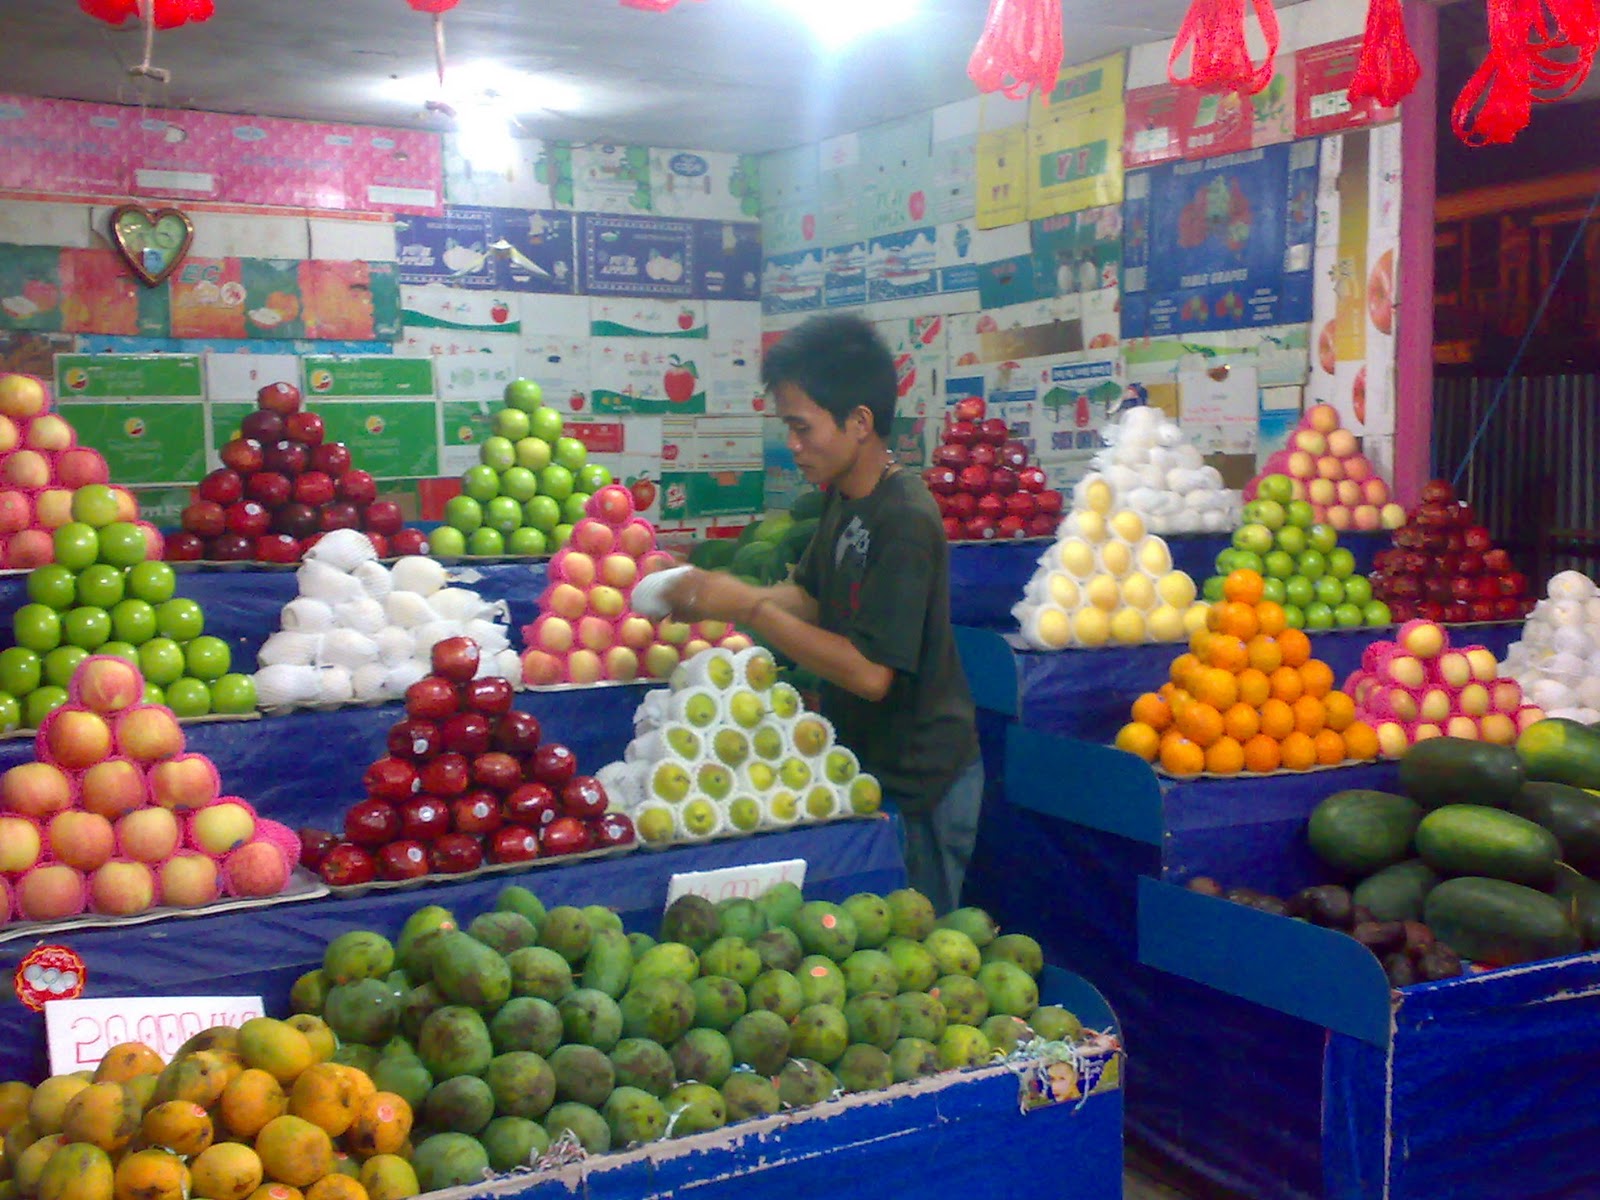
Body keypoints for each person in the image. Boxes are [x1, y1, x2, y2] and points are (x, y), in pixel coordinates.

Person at [660, 313, 983, 913]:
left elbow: (869, 673)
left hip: (921, 782)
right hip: (863, 765)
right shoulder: (845, 497)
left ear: (859, 422)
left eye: (803, 428)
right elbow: (811, 597)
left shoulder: (905, 518)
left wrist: (751, 606)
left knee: (917, 949)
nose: (794, 445)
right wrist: (714, 593)